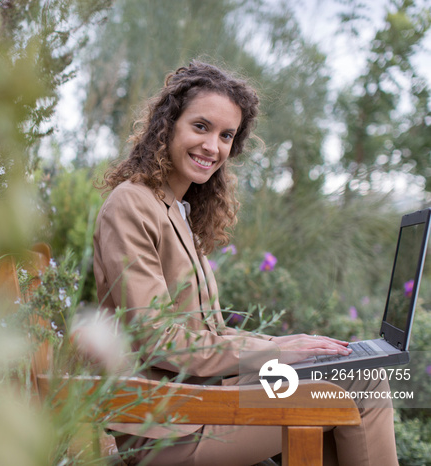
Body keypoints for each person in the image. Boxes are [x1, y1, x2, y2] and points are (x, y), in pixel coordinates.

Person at [92, 60, 398, 465]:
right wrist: (274, 354)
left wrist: (288, 346)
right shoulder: (133, 204)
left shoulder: (176, 209)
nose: (212, 146)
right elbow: (159, 342)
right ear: (167, 127)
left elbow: (209, 332)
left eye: (226, 136)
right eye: (200, 127)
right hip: (169, 428)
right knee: (361, 383)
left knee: (347, 373)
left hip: (197, 401)